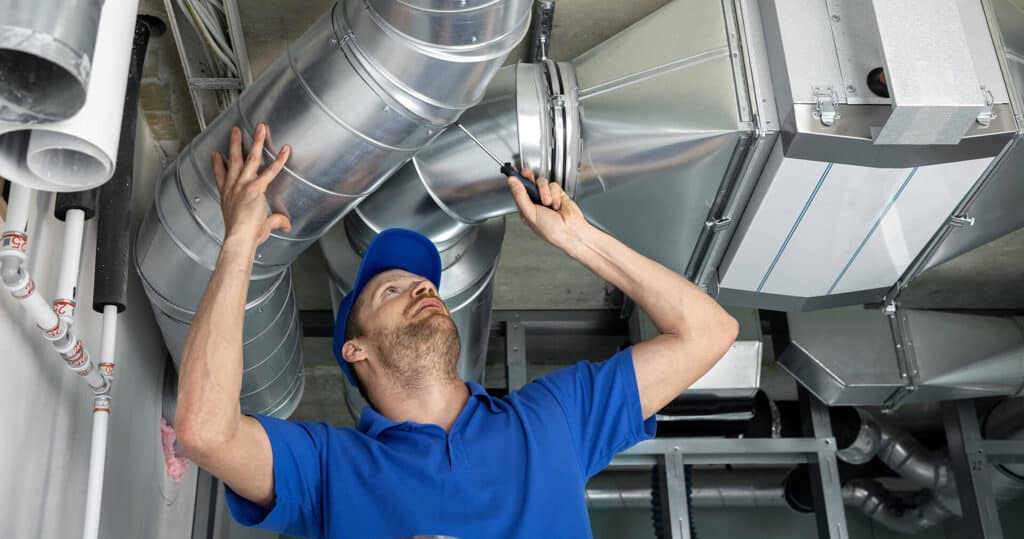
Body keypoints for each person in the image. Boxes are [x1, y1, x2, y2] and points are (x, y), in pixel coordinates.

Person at [174, 123, 739, 538]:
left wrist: (579, 240)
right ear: (355, 348)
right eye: (392, 291)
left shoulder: (553, 420)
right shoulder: (327, 468)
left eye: (425, 288)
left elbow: (709, 331)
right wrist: (239, 243)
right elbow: (203, 431)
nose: (423, 289)